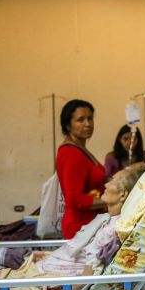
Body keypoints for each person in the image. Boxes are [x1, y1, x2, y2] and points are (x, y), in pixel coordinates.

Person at [0, 163, 145, 290]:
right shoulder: (108, 220)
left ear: (123, 194)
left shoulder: (110, 232)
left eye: (113, 180)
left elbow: (84, 282)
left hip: (43, 276)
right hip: (39, 266)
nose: (106, 184)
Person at [57, 99, 106, 239]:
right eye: (81, 120)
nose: (88, 124)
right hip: (81, 227)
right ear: (68, 125)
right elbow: (74, 199)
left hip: (90, 224)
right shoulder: (71, 154)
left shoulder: (81, 150)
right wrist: (111, 201)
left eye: (90, 118)